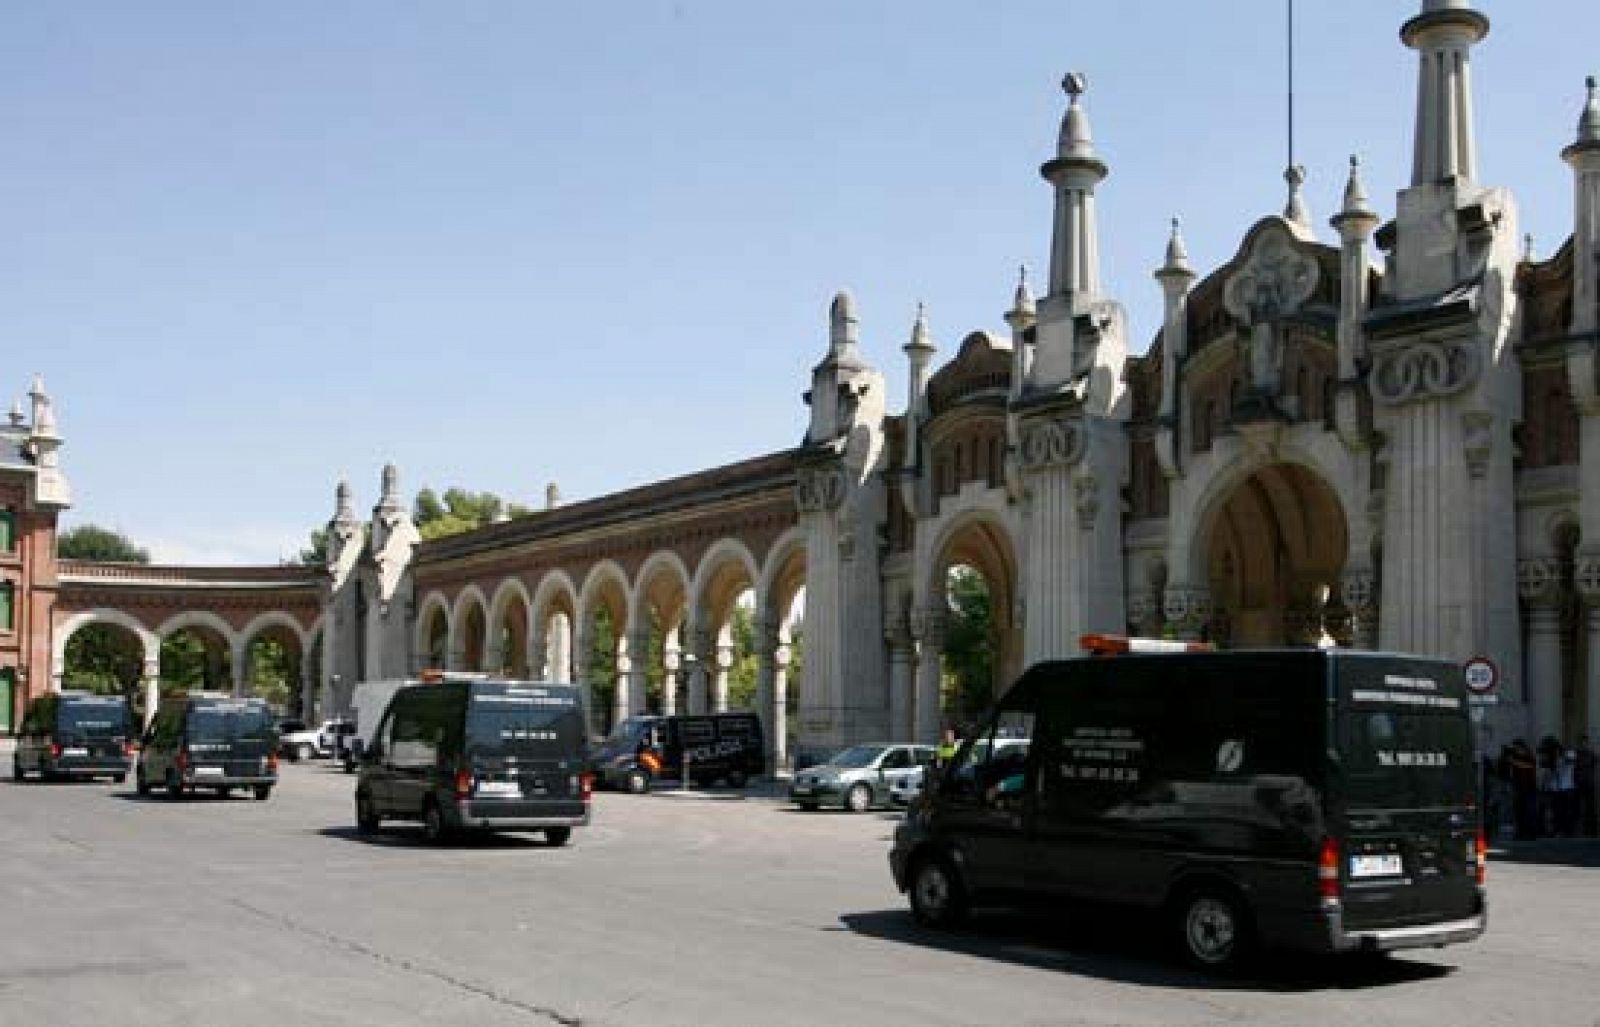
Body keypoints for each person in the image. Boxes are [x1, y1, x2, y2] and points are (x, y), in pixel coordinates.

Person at [1508, 738, 1539, 841]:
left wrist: (1515, 762)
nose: (1515, 750)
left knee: (1529, 811)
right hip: (1518, 787)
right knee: (1519, 811)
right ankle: (1520, 832)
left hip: (1529, 788)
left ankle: (1531, 833)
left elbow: (1528, 766)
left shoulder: (1529, 756)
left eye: (1516, 747)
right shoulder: (1514, 757)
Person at [1576, 735, 1598, 838]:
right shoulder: (1577, 755)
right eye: (1583, 743)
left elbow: (1594, 763)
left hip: (1589, 783)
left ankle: (1592, 830)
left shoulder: (1591, 754)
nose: (1585, 744)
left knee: (1591, 808)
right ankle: (1583, 830)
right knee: (1581, 807)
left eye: (1586, 743)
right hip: (1580, 783)